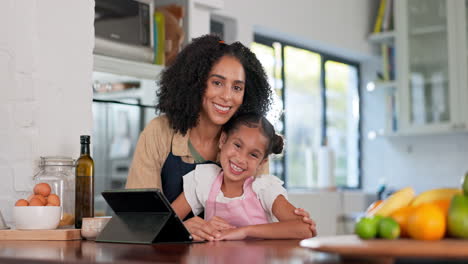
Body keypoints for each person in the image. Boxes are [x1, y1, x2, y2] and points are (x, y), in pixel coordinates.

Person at [126, 34, 313, 241]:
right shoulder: (159, 132)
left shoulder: (251, 142)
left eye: (237, 87)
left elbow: (268, 215)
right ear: (196, 82)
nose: (226, 96)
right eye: (217, 83)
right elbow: (138, 222)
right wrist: (180, 229)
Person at [172, 113, 317, 240]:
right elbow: (163, 224)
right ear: (223, 140)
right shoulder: (205, 180)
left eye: (253, 155)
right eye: (237, 145)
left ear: (262, 162)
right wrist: (184, 227)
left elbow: (305, 229)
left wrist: (244, 232)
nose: (241, 159)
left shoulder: (264, 189)